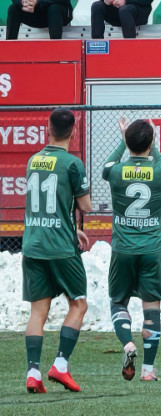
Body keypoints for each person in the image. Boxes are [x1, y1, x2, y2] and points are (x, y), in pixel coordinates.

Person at [21, 108, 91, 394]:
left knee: (38, 310)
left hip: (33, 244)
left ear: (47, 129)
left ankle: (33, 372)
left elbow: (44, 205)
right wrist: (73, 225)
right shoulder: (73, 164)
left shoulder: (32, 160)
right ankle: (60, 365)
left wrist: (70, 225)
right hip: (61, 248)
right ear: (73, 133)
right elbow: (84, 206)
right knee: (79, 303)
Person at [103, 118, 161, 382]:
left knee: (118, 301)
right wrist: (153, 145)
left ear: (128, 144)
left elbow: (106, 166)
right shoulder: (158, 171)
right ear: (151, 143)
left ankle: (127, 344)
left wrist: (122, 141)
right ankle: (148, 370)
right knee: (151, 308)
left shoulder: (116, 171)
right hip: (152, 250)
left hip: (122, 249)